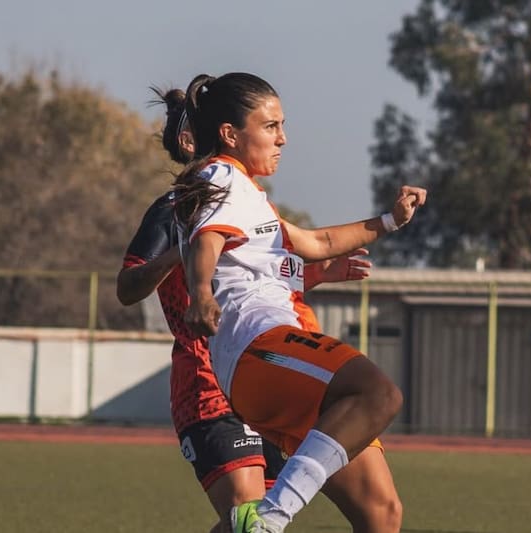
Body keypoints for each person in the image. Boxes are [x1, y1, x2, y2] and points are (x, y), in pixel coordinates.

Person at [174, 72, 427, 533]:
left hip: (270, 356)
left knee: (381, 512)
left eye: (282, 125)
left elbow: (318, 241)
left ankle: (260, 523)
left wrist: (391, 220)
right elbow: (205, 239)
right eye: (270, 126)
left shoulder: (249, 195)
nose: (283, 138)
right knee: (379, 393)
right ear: (230, 134)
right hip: (258, 347)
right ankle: (269, 520)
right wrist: (202, 292)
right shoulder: (221, 176)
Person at [116, 87, 373, 533]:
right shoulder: (174, 208)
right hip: (206, 379)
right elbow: (126, 287)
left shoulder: (250, 202)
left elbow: (256, 280)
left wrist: (314, 275)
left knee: (252, 522)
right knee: (249, 514)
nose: (279, 139)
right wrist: (183, 253)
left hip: (257, 372)